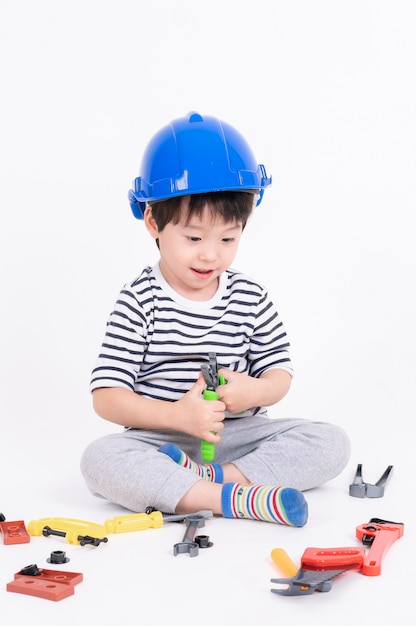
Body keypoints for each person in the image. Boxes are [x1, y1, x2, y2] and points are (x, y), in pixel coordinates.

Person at [80, 112, 350, 527]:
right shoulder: (140, 299)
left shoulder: (250, 296)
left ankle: (217, 481)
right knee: (100, 459)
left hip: (238, 440)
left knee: (330, 441)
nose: (211, 254)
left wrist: (253, 391)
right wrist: (176, 416)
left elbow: (280, 375)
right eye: (193, 238)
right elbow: (107, 397)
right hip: (162, 441)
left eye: (228, 238)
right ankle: (236, 500)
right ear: (153, 221)